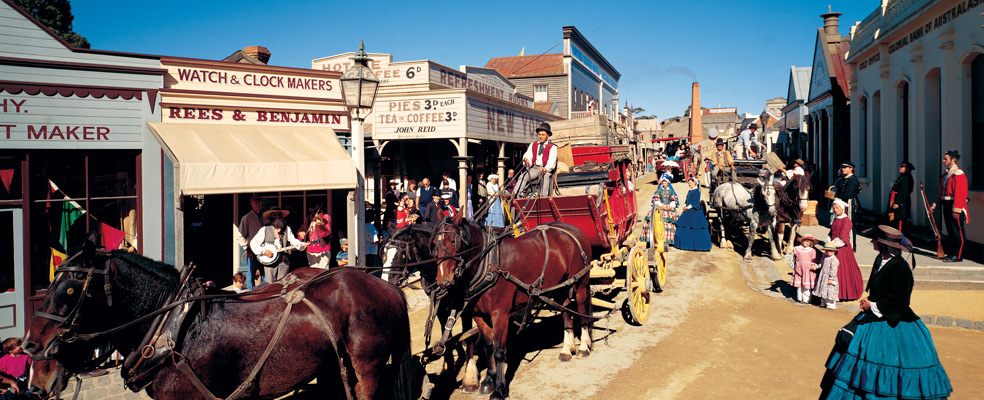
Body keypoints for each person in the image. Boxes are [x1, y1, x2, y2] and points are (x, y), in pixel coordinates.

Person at [819, 225, 952, 400]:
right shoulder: (879, 259)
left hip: (893, 321)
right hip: (871, 317)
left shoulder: (901, 268)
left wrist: (872, 305)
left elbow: (900, 302)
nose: (872, 241)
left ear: (884, 245)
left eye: (875, 240)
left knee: (890, 363)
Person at [929, 150, 969, 262]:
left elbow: (960, 194)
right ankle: (952, 253)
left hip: (955, 205)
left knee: (957, 232)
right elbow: (942, 192)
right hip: (946, 204)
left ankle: (958, 255)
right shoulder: (946, 174)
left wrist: (956, 210)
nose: (943, 160)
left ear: (953, 159)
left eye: (945, 158)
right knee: (950, 232)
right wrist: (935, 205)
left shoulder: (958, 174)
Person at [250, 209, 306, 284]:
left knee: (283, 285)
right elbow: (253, 243)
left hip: (283, 262)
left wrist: (302, 245)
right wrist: (264, 251)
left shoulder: (287, 229)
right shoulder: (264, 229)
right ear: (271, 217)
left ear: (282, 217)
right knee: (270, 285)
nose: (277, 217)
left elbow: (293, 241)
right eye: (274, 215)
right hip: (269, 263)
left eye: (279, 215)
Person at [827, 199, 863, 301]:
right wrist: (828, 240)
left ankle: (843, 294)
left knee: (842, 271)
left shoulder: (846, 221)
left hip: (841, 249)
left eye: (837, 208)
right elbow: (831, 232)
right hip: (833, 247)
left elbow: (843, 237)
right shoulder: (835, 220)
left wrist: (832, 244)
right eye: (834, 208)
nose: (835, 210)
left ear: (842, 208)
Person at [515, 122, 558, 197]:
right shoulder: (533, 145)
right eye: (539, 134)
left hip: (545, 169)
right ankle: (516, 194)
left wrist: (546, 169)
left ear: (548, 135)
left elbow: (552, 161)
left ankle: (543, 196)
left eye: (543, 135)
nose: (540, 137)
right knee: (523, 176)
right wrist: (527, 160)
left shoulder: (552, 147)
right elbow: (528, 155)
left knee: (545, 177)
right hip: (535, 168)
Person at [673, 177, 711, 251]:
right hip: (687, 209)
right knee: (682, 224)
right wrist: (684, 206)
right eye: (688, 183)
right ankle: (684, 244)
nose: (689, 184)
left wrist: (688, 207)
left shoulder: (697, 191)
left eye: (691, 183)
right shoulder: (690, 191)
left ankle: (696, 246)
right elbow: (687, 200)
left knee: (695, 226)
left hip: (694, 210)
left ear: (695, 183)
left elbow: (695, 202)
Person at [237, 195, 264, 289]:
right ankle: (251, 292)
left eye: (259, 202)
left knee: (264, 273)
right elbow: (240, 236)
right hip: (252, 250)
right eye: (255, 202)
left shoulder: (264, 217)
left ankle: (265, 292)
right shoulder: (247, 218)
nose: (258, 204)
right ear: (251, 204)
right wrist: (246, 248)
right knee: (251, 273)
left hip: (264, 249)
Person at [832, 162, 861, 234]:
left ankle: (850, 243)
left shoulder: (852, 179)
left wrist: (840, 203)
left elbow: (848, 194)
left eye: (845, 167)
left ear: (851, 168)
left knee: (849, 223)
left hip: (849, 203)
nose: (843, 169)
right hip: (841, 203)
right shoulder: (843, 178)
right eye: (842, 167)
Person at [886, 161, 914, 233]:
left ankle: (900, 238)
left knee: (900, 222)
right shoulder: (902, 177)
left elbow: (904, 192)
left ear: (907, 168)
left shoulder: (906, 178)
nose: (900, 168)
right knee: (894, 221)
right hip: (895, 200)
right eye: (900, 166)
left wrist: (897, 203)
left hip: (901, 203)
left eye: (902, 167)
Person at [813, 240, 841, 309]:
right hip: (823, 276)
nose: (828, 252)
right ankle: (823, 302)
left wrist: (831, 278)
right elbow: (822, 264)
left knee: (829, 290)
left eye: (830, 251)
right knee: (823, 289)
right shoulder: (824, 257)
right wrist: (817, 266)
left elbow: (833, 270)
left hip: (829, 277)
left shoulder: (834, 259)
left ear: (834, 251)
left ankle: (831, 304)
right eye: (827, 250)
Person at [791, 235, 819, 304]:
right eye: (806, 241)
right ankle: (799, 298)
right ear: (802, 241)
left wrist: (813, 266)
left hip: (808, 269)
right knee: (799, 284)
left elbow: (813, 260)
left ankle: (806, 299)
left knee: (806, 285)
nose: (808, 243)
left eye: (810, 242)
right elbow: (793, 257)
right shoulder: (797, 249)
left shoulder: (812, 250)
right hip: (799, 268)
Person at [650, 177, 678, 246]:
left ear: (668, 183)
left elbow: (673, 200)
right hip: (661, 207)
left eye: (665, 182)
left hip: (668, 207)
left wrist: (671, 206)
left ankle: (670, 239)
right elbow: (656, 199)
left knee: (671, 221)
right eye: (663, 183)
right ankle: (657, 238)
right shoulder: (659, 190)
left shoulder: (671, 191)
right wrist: (661, 206)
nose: (664, 184)